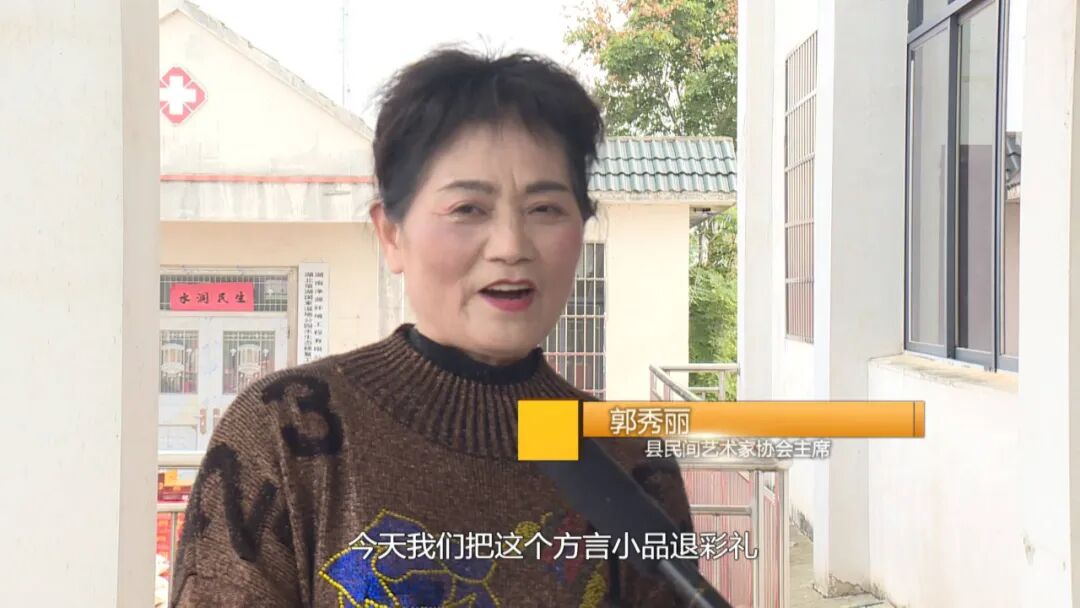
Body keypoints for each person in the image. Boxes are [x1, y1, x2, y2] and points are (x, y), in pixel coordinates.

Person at [170, 48, 695, 607]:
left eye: (545, 209)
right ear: (391, 234)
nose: (511, 246)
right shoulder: (284, 431)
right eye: (468, 208)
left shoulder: (628, 459)